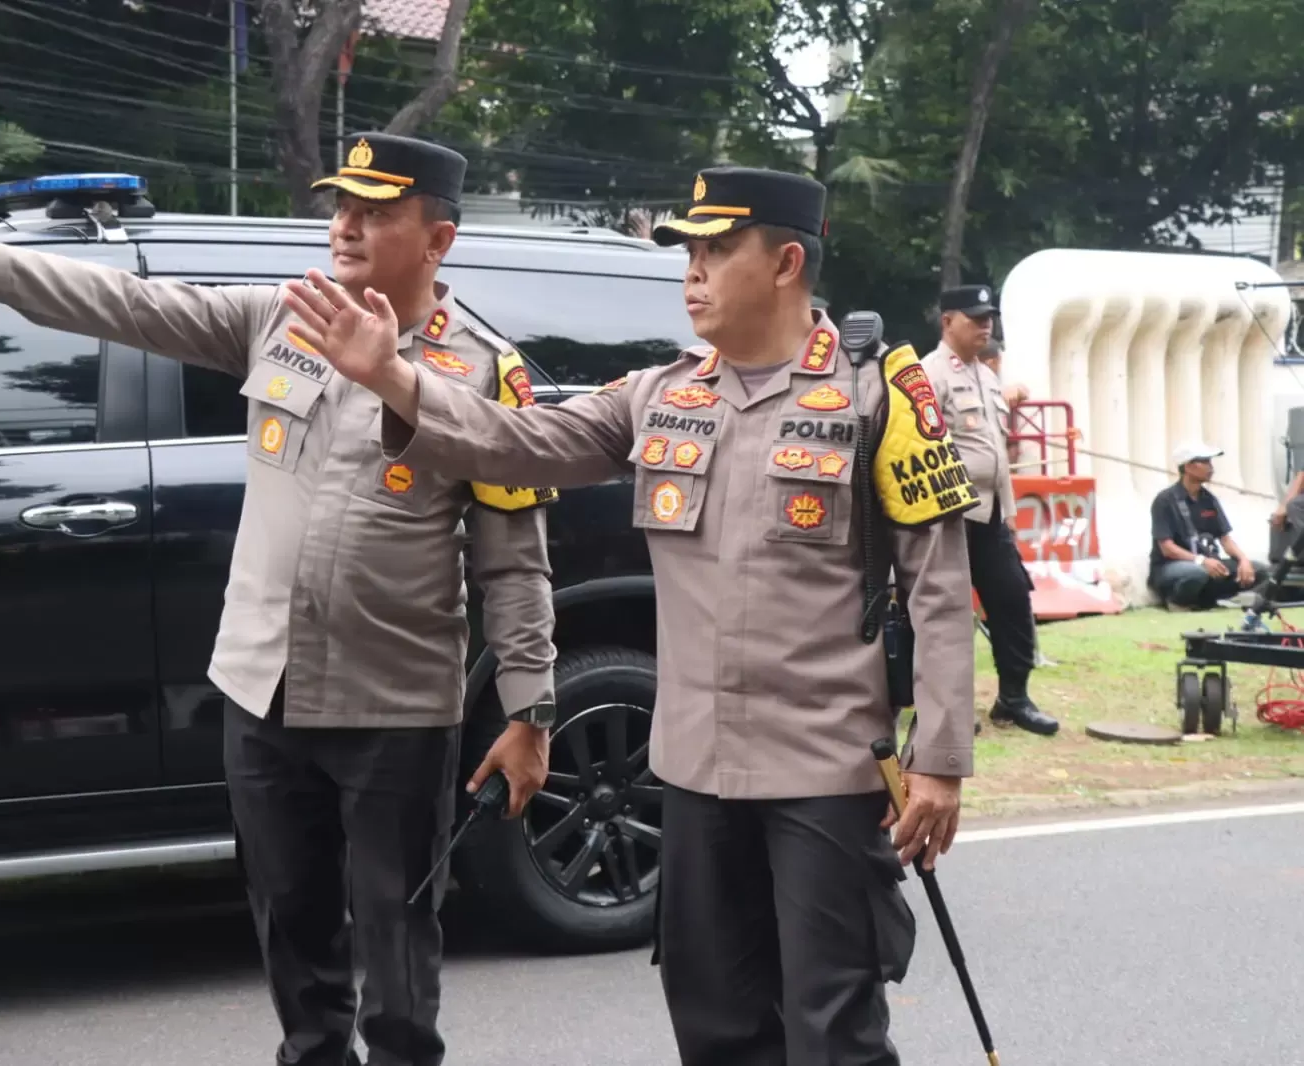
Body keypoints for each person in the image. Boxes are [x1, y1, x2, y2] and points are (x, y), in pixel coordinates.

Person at [0, 132, 561, 1066]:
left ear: (438, 240)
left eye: (374, 213)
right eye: (340, 206)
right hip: (261, 688)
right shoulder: (281, 319)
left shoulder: (484, 375)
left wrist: (529, 711)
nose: (344, 227)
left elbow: (513, 561)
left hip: (395, 703)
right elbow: (126, 303)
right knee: (290, 921)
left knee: (396, 933)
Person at [282, 165, 979, 1066]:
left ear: (785, 263)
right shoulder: (659, 394)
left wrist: (938, 764)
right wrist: (393, 378)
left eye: (716, 250)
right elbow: (518, 439)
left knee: (833, 1029)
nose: (692, 273)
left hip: (827, 772)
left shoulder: (878, 396)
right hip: (688, 771)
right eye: (687, 253)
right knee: (714, 1022)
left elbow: (938, 589)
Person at [922, 286, 1058, 736]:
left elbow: (996, 450)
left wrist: (1010, 511)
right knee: (946, 614)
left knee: (1013, 599)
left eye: (989, 318)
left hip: (992, 514)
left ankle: (1013, 699)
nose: (986, 325)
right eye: (976, 318)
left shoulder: (987, 375)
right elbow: (922, 450)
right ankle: (946, 706)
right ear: (947, 321)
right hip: (949, 516)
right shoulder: (928, 374)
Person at [1150, 442, 1268, 610]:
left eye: (1210, 462)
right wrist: (1201, 561)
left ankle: (1215, 600)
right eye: (1204, 462)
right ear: (1188, 466)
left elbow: (1225, 539)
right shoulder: (1165, 500)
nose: (1211, 467)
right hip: (1171, 567)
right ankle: (1178, 602)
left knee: (1260, 570)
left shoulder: (1209, 499)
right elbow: (1167, 548)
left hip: (1209, 563)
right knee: (1197, 573)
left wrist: (1243, 560)